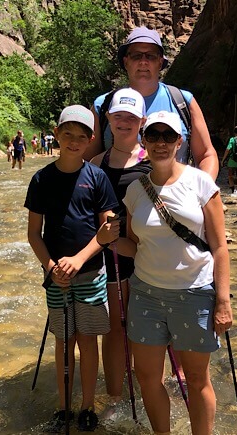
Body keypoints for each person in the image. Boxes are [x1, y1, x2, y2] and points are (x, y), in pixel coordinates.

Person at [105, 111, 232, 434]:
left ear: (179, 141)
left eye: (168, 136)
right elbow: (136, 247)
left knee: (197, 379)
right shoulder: (135, 192)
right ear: (143, 141)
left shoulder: (201, 183)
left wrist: (223, 301)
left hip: (194, 294)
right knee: (147, 376)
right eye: (153, 135)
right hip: (146, 295)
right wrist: (108, 241)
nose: (160, 142)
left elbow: (219, 247)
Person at [25, 105, 120, 432]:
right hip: (56, 278)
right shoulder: (41, 179)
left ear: (91, 139)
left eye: (82, 136)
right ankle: (63, 407)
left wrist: (77, 261)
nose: (74, 141)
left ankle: (87, 406)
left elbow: (107, 232)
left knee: (88, 339)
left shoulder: (97, 178)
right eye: (68, 134)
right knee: (64, 341)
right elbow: (33, 234)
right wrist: (51, 267)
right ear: (57, 134)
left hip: (92, 272)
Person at [89, 88, 152, 411]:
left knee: (146, 327)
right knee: (115, 327)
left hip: (146, 259)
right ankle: (115, 397)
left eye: (131, 117)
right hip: (111, 257)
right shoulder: (95, 164)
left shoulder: (154, 163)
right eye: (118, 116)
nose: (124, 122)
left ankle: (148, 392)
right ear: (108, 120)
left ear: (142, 121)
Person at [87, 26, 219, 180]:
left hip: (173, 200)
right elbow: (87, 161)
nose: (143, 62)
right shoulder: (102, 105)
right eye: (136, 56)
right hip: (114, 200)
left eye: (150, 56)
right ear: (126, 61)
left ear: (160, 62)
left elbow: (206, 155)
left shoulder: (182, 101)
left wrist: (203, 194)